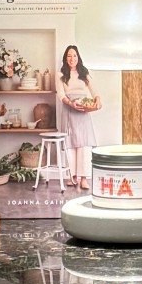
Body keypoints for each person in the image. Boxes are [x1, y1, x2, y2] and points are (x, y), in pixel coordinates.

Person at [58, 44, 102, 189]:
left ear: (78, 57)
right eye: (69, 56)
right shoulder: (61, 75)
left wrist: (97, 99)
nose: (72, 58)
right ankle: (73, 177)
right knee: (70, 143)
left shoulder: (84, 73)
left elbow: (94, 90)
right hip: (69, 110)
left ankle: (84, 178)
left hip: (83, 111)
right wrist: (71, 103)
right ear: (65, 58)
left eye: (74, 55)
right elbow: (61, 95)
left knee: (84, 144)